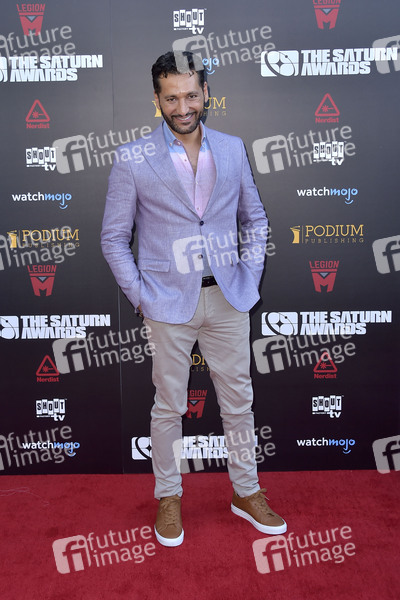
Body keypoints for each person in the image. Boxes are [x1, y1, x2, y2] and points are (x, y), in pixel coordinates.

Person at [101, 50, 287, 547]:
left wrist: (248, 275)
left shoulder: (232, 148)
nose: (182, 107)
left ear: (205, 93)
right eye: (171, 98)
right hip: (166, 303)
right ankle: (168, 496)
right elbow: (114, 237)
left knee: (240, 403)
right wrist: (142, 296)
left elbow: (255, 219)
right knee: (168, 406)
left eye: (190, 95)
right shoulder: (132, 158)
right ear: (156, 99)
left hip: (228, 297)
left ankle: (246, 491)